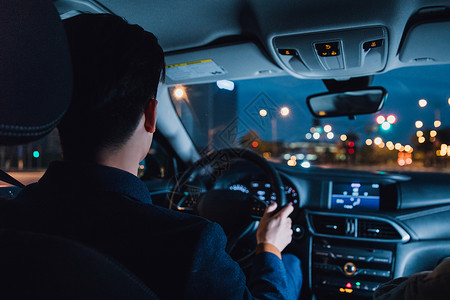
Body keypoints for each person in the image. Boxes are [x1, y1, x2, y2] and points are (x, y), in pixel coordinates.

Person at [0, 14, 302, 299]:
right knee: (293, 267)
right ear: (151, 115)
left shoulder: (11, 215)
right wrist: (270, 248)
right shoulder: (190, 244)